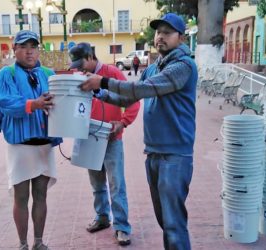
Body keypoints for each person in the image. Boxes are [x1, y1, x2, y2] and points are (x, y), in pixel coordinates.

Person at [78, 13, 198, 250]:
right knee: (165, 219)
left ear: (181, 38)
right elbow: (127, 96)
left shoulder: (183, 66)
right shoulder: (153, 67)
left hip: (175, 156)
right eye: (158, 32)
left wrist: (102, 82)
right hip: (153, 152)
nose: (160, 37)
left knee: (173, 223)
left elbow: (143, 89)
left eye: (167, 32)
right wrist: (100, 94)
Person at [0, 30, 62, 250]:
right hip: (20, 146)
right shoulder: (7, 74)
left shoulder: (49, 73)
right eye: (24, 46)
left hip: (44, 145)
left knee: (41, 195)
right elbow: (5, 101)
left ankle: (38, 242)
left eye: (33, 46)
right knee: (21, 197)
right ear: (15, 50)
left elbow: (61, 103)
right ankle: (22, 244)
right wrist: (33, 104)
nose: (29, 51)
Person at [68, 43, 140, 246]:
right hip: (89, 138)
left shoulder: (112, 73)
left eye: (80, 63)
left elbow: (133, 100)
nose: (77, 69)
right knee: (97, 184)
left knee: (116, 184)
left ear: (91, 56)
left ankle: (122, 227)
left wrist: (123, 122)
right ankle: (102, 218)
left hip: (111, 139)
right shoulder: (78, 77)